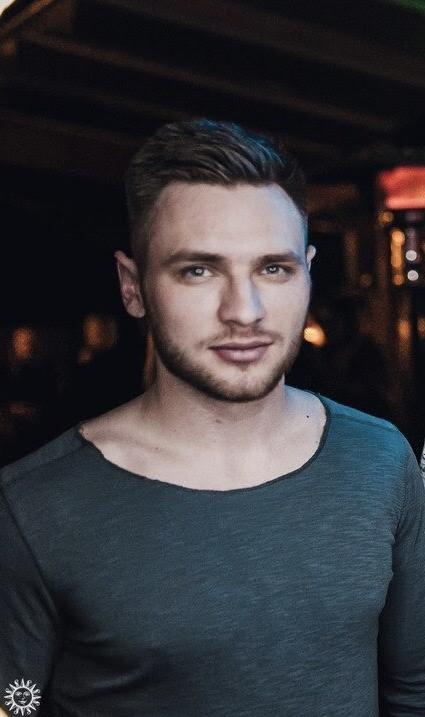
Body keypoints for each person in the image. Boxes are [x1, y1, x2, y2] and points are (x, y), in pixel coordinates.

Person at [0, 119, 424, 717]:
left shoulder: (381, 462)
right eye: (198, 270)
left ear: (307, 273)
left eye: (272, 268)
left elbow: (415, 690)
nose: (243, 311)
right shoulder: (32, 506)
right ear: (133, 286)